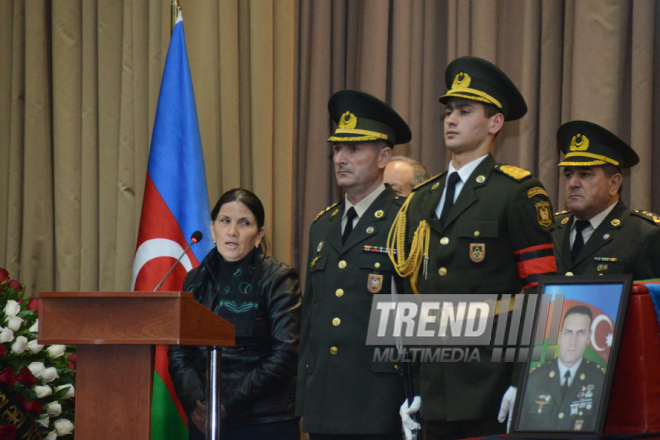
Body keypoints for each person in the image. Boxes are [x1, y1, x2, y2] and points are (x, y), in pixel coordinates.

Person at [389, 56, 557, 440]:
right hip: (435, 388)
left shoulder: (515, 193)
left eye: (465, 111)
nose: (450, 120)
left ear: (495, 123)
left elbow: (541, 293)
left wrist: (524, 380)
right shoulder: (422, 198)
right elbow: (414, 300)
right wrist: (413, 387)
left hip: (492, 387)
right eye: (449, 112)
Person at [296, 90, 411, 439]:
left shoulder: (406, 220)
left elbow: (417, 317)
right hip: (323, 402)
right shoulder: (323, 225)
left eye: (354, 149)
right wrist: (303, 397)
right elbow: (310, 324)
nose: (341, 159)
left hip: (379, 403)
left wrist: (415, 397)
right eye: (337, 149)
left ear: (384, 157)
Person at [168, 188, 301, 440]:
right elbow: (178, 350)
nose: (232, 232)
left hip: (264, 421)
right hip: (204, 420)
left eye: (245, 223)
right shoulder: (194, 280)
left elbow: (285, 354)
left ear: (259, 235)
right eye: (225, 221)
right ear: (212, 229)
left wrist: (226, 405)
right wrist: (199, 404)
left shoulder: (278, 278)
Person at [552, 120, 660, 278]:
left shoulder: (644, 235)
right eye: (568, 175)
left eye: (585, 174)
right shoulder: (550, 231)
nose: (573, 183)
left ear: (614, 183)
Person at [518, 306, 605, 432]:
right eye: (568, 332)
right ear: (559, 336)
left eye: (581, 332)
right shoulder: (534, 379)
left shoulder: (599, 380)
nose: (573, 341)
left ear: (588, 337)